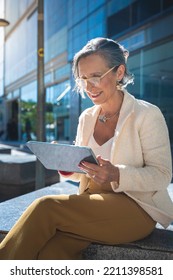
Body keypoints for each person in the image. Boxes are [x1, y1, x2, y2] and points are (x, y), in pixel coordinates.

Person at [0, 37, 173, 260]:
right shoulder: (87, 117)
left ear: (119, 73)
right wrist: (65, 164)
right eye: (83, 79)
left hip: (135, 208)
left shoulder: (147, 114)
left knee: (45, 207)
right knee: (52, 253)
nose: (88, 87)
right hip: (91, 204)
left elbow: (162, 175)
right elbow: (84, 170)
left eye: (96, 77)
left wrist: (116, 173)